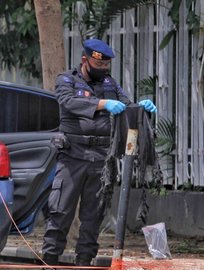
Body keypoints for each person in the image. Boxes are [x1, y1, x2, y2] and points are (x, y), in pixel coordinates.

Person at [41, 39, 157, 267]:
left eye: (105, 66)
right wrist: (103, 104)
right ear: (85, 60)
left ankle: (84, 261)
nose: (102, 69)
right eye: (98, 65)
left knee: (93, 215)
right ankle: (49, 261)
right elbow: (68, 101)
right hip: (72, 155)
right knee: (60, 211)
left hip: (101, 159)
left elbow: (126, 105)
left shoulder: (110, 84)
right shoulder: (67, 80)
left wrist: (142, 107)